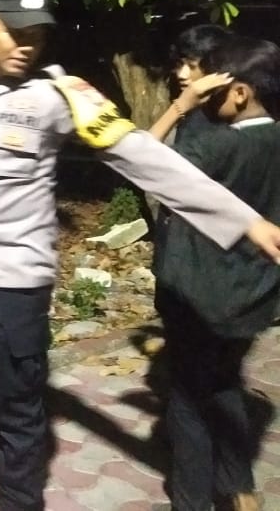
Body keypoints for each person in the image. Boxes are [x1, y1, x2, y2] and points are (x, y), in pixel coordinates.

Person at [0, 0, 280, 511]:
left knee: (16, 398)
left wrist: (242, 220)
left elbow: (142, 156)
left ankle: (20, 500)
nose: (27, 45)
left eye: (38, 34)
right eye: (15, 32)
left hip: (14, 280)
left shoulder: (62, 95)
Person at [152, 36, 280, 511]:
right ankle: (240, 488)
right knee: (225, 384)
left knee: (187, 402)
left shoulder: (220, 146)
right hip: (254, 294)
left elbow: (144, 160)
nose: (204, 96)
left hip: (200, 295)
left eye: (213, 89)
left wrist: (180, 107)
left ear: (240, 92)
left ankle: (191, 500)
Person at [148, 24, 233, 143]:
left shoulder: (213, 122)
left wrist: (179, 107)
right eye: (179, 65)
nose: (181, 75)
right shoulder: (193, 115)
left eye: (192, 66)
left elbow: (146, 148)